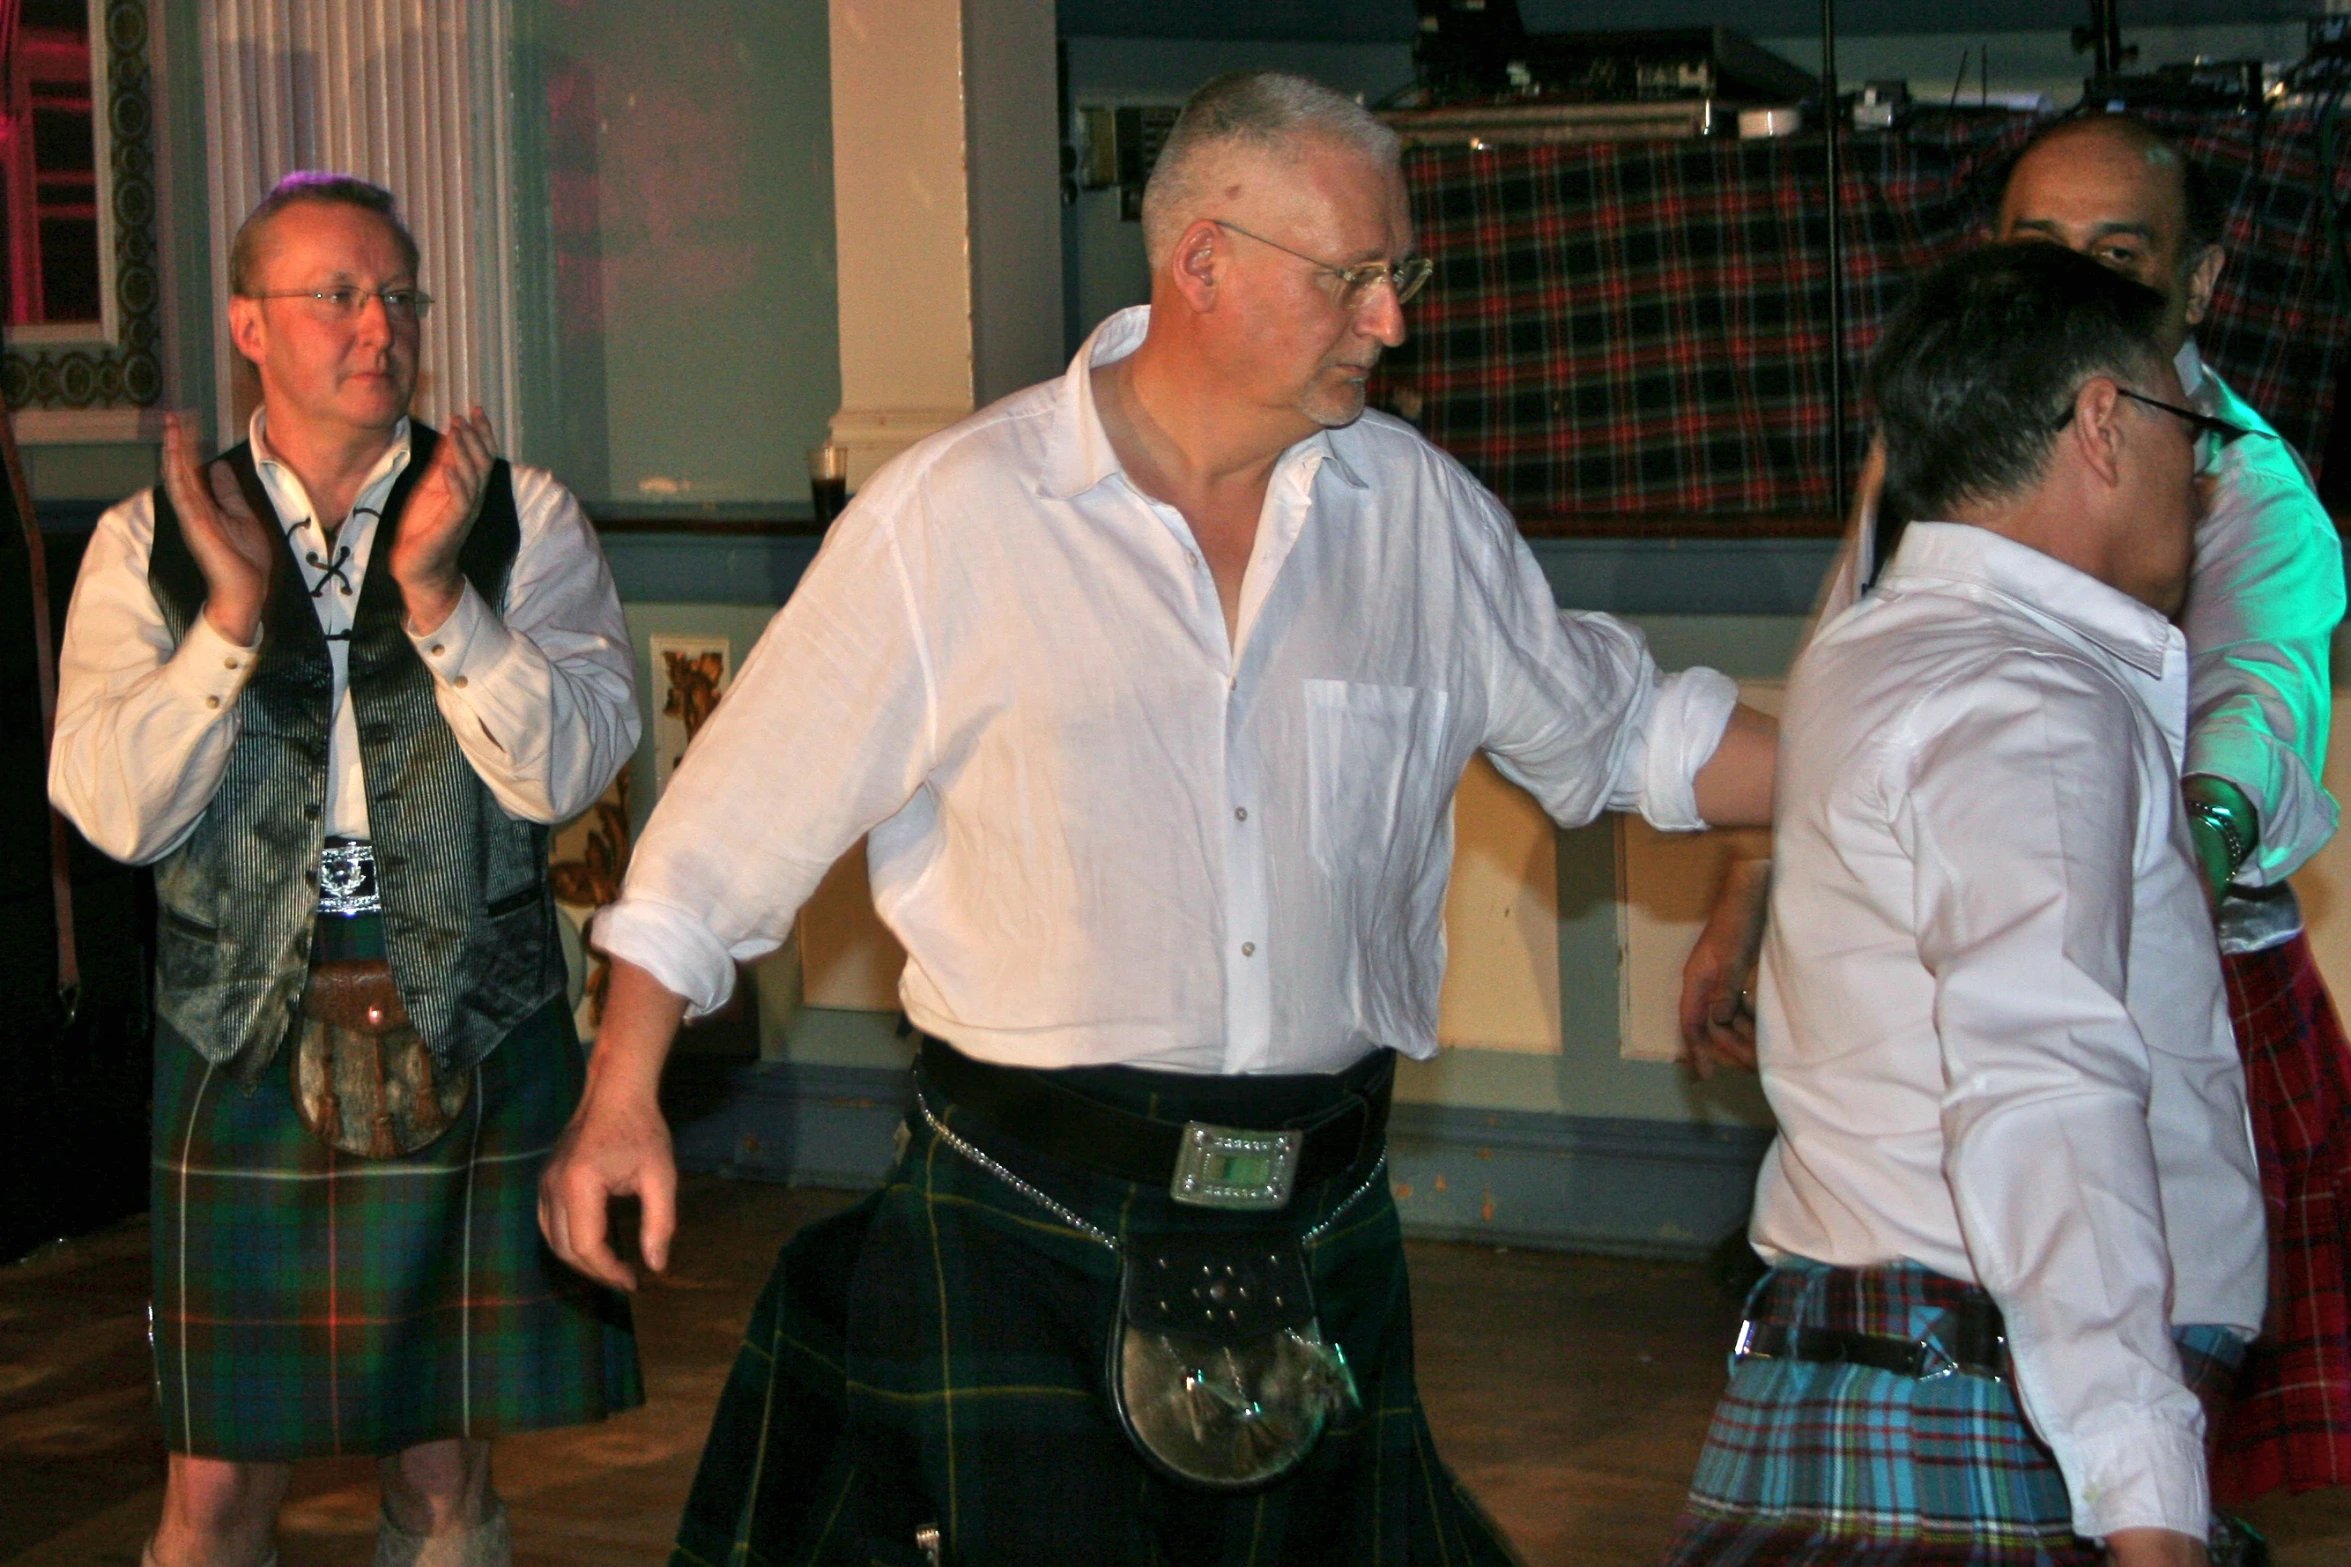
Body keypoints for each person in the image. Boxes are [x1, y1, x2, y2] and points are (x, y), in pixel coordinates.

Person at [541, 71, 1776, 1566]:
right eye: (1352, 279)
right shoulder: (958, 519)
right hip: (1022, 1228)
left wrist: (1894, 759)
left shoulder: (1418, 520)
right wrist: (618, 1100)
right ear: (1201, 263)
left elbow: (1629, 732)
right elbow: (722, 839)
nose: (1391, 318)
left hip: (1317, 1224)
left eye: (1402, 274)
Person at [1681, 114, 2350, 1504]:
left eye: (2118, 251)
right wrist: (1761, 876)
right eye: (2039, 247)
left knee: (2154, 1375)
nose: (2073, 280)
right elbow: (1847, 681)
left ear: (2200, 280)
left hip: (2197, 968)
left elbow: (2253, 722)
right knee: (2031, 1307)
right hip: (2006, 976)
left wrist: (2159, 847)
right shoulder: (1935, 464)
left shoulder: (2243, 480)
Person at [48, 173, 643, 1567]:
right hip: (239, 1026)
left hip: (467, 1012)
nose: (382, 325)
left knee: (444, 1477)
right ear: (251, 324)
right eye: (339, 294)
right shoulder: (152, 537)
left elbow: (571, 771)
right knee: (213, 1496)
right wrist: (232, 621)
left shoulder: (519, 514)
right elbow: (111, 815)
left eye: (400, 296)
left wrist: (442, 598)